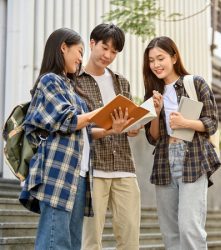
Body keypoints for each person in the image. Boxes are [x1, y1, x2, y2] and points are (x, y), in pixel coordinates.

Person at [19, 28, 129, 250]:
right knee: (55, 240)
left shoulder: (69, 86)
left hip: (79, 174)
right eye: (78, 52)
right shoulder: (50, 81)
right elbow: (67, 119)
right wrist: (102, 112)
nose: (80, 59)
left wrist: (112, 129)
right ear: (63, 48)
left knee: (71, 243)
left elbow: (83, 131)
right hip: (58, 171)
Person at [143, 36, 221, 249]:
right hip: (164, 162)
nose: (156, 65)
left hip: (192, 158)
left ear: (174, 57)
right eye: (151, 60)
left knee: (189, 228)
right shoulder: (153, 94)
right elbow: (153, 138)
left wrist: (185, 122)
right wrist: (156, 112)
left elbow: (212, 123)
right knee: (170, 234)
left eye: (161, 58)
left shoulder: (194, 83)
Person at [75, 23, 141, 250]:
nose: (108, 55)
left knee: (130, 239)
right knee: (90, 240)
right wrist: (109, 130)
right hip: (92, 169)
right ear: (92, 43)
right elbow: (77, 128)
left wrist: (133, 126)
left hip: (124, 167)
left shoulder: (121, 82)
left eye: (114, 52)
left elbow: (127, 124)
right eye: (105, 48)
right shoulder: (74, 81)